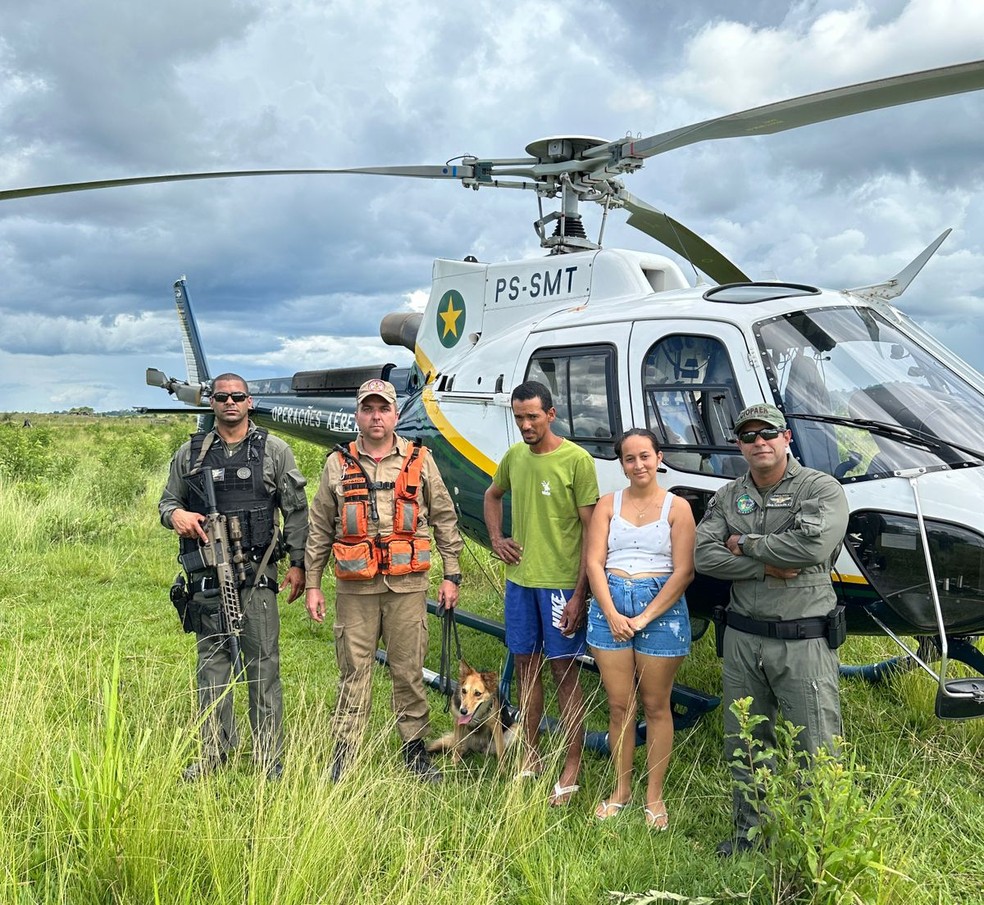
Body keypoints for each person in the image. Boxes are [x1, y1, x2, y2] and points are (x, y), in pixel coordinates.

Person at [693, 403, 849, 856]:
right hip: (743, 638)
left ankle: (816, 845)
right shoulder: (728, 496)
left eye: (768, 433)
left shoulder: (819, 488)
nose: (759, 442)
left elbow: (811, 546)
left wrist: (743, 543)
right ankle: (751, 837)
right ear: (739, 445)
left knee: (815, 745)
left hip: (803, 639)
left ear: (786, 438)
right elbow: (703, 554)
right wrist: (764, 567)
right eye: (748, 435)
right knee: (745, 743)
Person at [304, 378, 463, 783]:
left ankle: (414, 751)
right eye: (368, 409)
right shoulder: (337, 463)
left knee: (408, 670)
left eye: (383, 408)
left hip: (407, 587)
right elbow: (320, 526)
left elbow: (444, 518)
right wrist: (313, 583)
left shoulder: (419, 460)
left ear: (395, 414)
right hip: (355, 588)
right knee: (353, 672)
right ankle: (344, 755)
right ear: (358, 414)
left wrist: (452, 574)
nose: (376, 416)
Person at [159, 373, 309, 782]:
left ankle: (268, 758)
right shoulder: (190, 454)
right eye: (222, 397)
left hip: (257, 578)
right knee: (212, 665)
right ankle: (214, 753)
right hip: (207, 581)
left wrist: (299, 564)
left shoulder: (273, 450)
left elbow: (296, 511)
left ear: (249, 402)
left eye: (238, 396)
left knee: (263, 666)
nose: (230, 403)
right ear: (211, 402)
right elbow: (167, 502)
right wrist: (177, 516)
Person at [483, 380, 599, 805]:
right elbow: (492, 495)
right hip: (520, 583)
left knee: (564, 673)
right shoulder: (515, 457)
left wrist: (580, 594)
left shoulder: (577, 460)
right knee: (526, 668)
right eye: (519, 417)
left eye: (533, 416)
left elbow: (592, 531)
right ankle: (530, 755)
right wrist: (497, 538)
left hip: (560, 585)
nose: (526, 425)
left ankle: (572, 766)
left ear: (551, 414)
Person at [584, 429, 695, 829]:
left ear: (658, 457)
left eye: (645, 456)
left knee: (656, 705)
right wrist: (611, 613)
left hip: (659, 607)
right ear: (622, 464)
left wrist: (645, 617)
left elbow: (684, 571)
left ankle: (654, 796)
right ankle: (621, 790)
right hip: (611, 602)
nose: (638, 464)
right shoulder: (608, 505)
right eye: (629, 459)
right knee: (619, 705)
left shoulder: (677, 508)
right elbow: (594, 562)